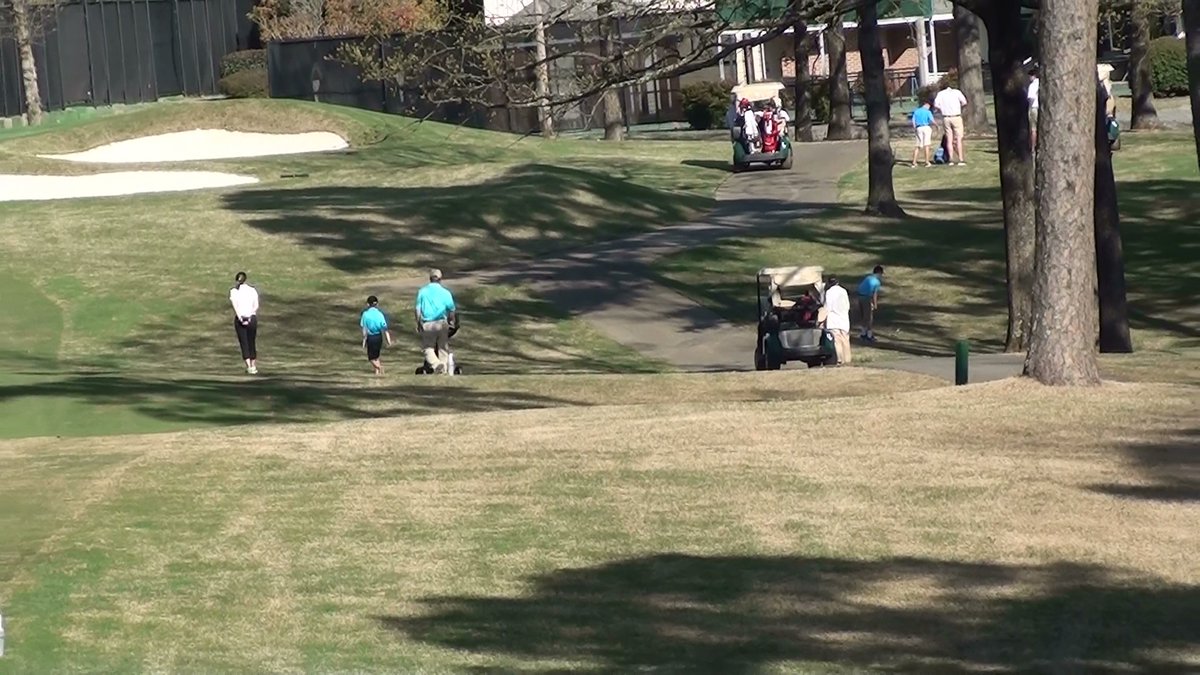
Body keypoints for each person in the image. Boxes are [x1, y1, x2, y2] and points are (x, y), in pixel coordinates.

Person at [414, 268, 457, 373]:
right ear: (440, 279)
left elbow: (418, 309)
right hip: (442, 323)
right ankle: (443, 369)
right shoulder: (446, 292)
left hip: (428, 323)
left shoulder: (422, 292)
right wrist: (452, 322)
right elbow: (452, 310)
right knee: (443, 348)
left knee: (428, 348)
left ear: (430, 278)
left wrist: (418, 323)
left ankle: (437, 364)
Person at [229, 271, 260, 374]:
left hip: (240, 318)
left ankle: (248, 366)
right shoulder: (252, 290)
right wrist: (250, 316)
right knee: (251, 341)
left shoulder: (234, 291)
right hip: (252, 318)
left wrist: (240, 318)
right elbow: (256, 306)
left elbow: (235, 306)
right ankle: (253, 365)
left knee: (244, 342)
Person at [933, 80, 969, 166]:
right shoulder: (957, 92)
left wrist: (942, 109)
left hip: (946, 117)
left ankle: (951, 159)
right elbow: (964, 102)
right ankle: (960, 159)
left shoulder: (940, 94)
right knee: (958, 139)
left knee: (949, 139)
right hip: (956, 116)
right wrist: (958, 107)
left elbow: (936, 105)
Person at [360, 295, 394, 376]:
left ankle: (379, 367)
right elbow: (385, 329)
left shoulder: (365, 314)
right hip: (379, 337)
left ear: (368, 304)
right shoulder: (380, 314)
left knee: (371, 358)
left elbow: (364, 329)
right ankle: (377, 374)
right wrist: (388, 341)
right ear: (377, 304)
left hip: (371, 337)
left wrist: (364, 340)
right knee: (376, 356)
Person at [823, 276, 851, 365]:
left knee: (837, 340)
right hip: (844, 318)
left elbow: (827, 307)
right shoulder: (843, 291)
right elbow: (847, 306)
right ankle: (847, 359)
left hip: (833, 319)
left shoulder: (829, 292)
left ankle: (840, 359)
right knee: (845, 339)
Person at [856, 265, 884, 342]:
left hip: (860, 297)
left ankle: (863, 333)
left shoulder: (868, 278)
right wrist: (875, 304)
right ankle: (869, 335)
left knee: (863, 316)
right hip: (867, 298)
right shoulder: (877, 282)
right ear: (879, 273)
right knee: (869, 318)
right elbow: (875, 294)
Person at [911, 100, 935, 167]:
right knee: (926, 145)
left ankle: (914, 162)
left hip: (919, 128)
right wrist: (936, 125)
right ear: (927, 105)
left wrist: (915, 127)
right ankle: (927, 162)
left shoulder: (916, 111)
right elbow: (932, 120)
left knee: (918, 145)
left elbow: (913, 120)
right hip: (926, 127)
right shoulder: (928, 112)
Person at [1027, 66, 1040, 153]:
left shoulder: (1032, 85)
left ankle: (1032, 147)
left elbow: (1031, 98)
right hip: (1040, 108)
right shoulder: (1041, 84)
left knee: (1033, 129)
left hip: (1033, 107)